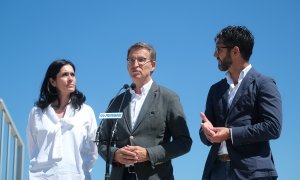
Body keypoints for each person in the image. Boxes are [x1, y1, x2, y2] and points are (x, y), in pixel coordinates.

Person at [97, 42, 192, 180]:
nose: (135, 64)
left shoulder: (169, 98)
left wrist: (148, 154)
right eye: (131, 60)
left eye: (141, 60)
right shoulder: (115, 102)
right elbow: (101, 140)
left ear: (153, 65)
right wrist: (115, 154)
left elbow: (184, 143)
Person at [199, 25, 282, 180]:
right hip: (216, 171)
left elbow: (273, 127)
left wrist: (230, 134)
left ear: (235, 51)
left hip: (252, 172)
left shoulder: (264, 83)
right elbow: (206, 132)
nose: (215, 54)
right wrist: (206, 132)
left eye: (219, 49)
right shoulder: (215, 89)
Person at [26, 59, 98, 180]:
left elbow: (93, 150)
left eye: (72, 74)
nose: (70, 78)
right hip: (41, 176)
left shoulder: (86, 112)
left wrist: (80, 170)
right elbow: (33, 148)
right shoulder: (36, 113)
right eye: (65, 75)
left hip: (76, 176)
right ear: (53, 82)